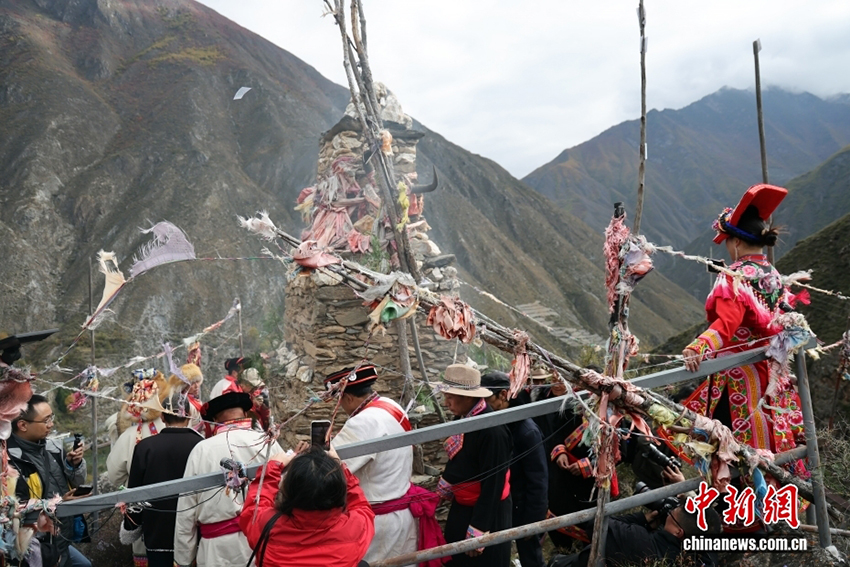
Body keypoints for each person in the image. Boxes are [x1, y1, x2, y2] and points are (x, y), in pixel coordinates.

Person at [680, 184, 806, 457]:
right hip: (771, 368)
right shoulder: (772, 274)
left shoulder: (735, 276)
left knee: (736, 448)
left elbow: (726, 325)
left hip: (741, 374)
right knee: (775, 434)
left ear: (736, 242)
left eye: (726, 242)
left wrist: (698, 347)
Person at [327, 364, 443, 565]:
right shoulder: (390, 405)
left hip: (379, 523)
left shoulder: (362, 422)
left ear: (348, 398)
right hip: (401, 513)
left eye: (340, 400)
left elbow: (328, 468)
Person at [174, 392, 282, 567]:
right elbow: (287, 491)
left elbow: (186, 511)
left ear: (214, 419)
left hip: (215, 553)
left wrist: (184, 559)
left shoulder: (201, 451)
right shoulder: (267, 443)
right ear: (245, 415)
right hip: (263, 543)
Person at [238, 445, 375, 567]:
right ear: (338, 490)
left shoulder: (268, 526)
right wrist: (341, 468)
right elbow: (362, 506)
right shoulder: (355, 528)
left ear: (288, 490)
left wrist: (271, 469)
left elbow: (253, 510)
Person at [438, 364, 512, 566]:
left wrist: (478, 530)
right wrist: (447, 482)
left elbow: (493, 483)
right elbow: (461, 459)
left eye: (451, 397)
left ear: (469, 397)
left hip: (487, 512)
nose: (446, 403)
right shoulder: (463, 420)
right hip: (463, 505)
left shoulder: (492, 431)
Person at [121, 392, 204, 567]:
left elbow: (134, 495)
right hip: (194, 533)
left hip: (157, 534)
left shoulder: (145, 447)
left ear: (162, 416)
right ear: (188, 417)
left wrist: (131, 526)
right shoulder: (202, 445)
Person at [8, 394, 91, 567]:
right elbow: (16, 509)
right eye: (46, 420)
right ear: (23, 425)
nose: (51, 424)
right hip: (37, 544)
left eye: (51, 418)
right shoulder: (9, 462)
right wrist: (59, 503)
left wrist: (72, 465)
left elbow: (75, 482)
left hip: (62, 537)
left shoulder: (53, 447)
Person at [480, 372, 548, 567]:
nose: (483, 405)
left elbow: (538, 481)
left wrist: (533, 522)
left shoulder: (526, 431)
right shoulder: (497, 422)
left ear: (502, 395)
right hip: (505, 503)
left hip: (523, 506)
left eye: (486, 399)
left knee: (531, 557)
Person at [548, 503, 722, 567]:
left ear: (678, 532)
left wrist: (642, 518)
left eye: (672, 513)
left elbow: (597, 525)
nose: (668, 513)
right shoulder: (707, 557)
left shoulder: (639, 542)